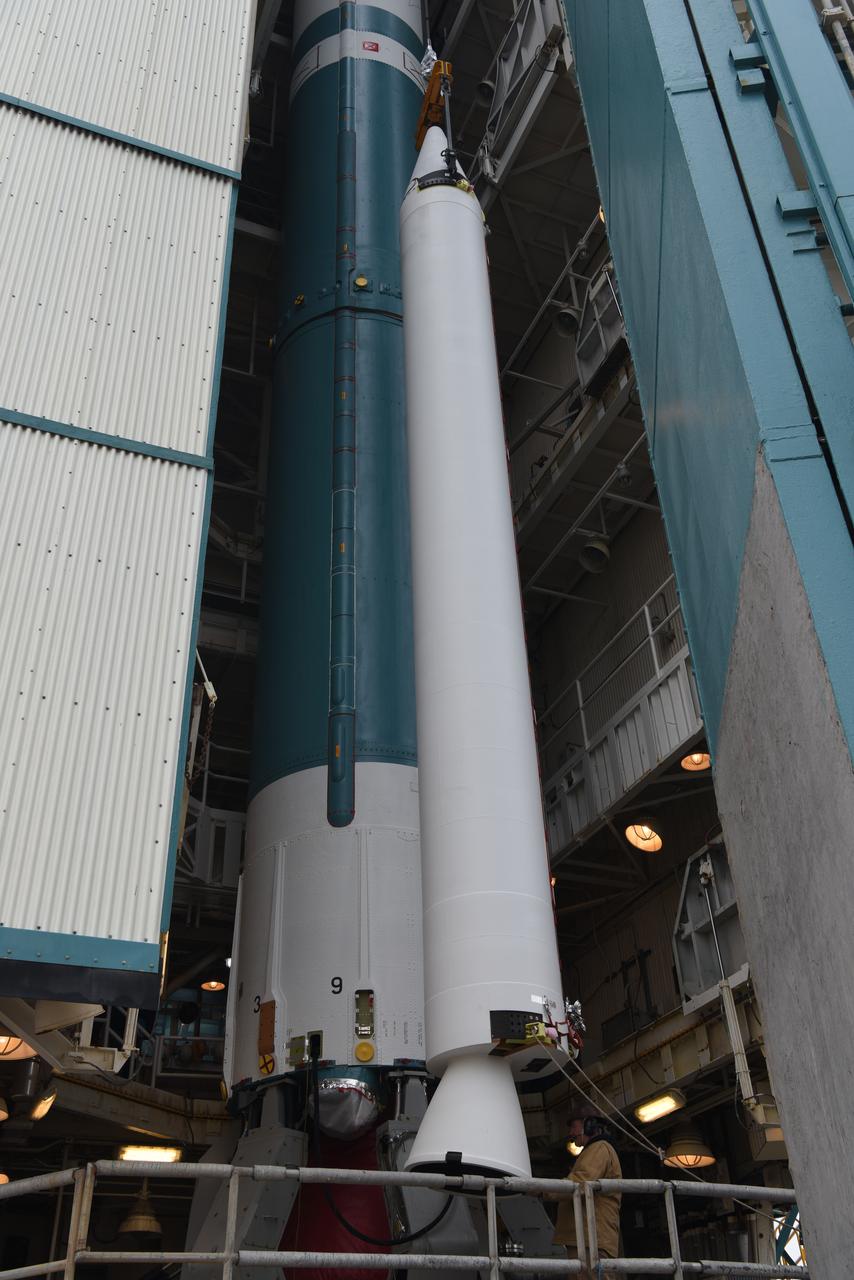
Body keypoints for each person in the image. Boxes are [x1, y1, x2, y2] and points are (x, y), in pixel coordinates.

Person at [552, 1112, 622, 1279]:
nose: (570, 1133)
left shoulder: (599, 1148)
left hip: (592, 1239)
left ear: (589, 1125)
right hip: (587, 1239)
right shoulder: (594, 1150)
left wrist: (543, 1189)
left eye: (573, 1127)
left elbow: (581, 1181)